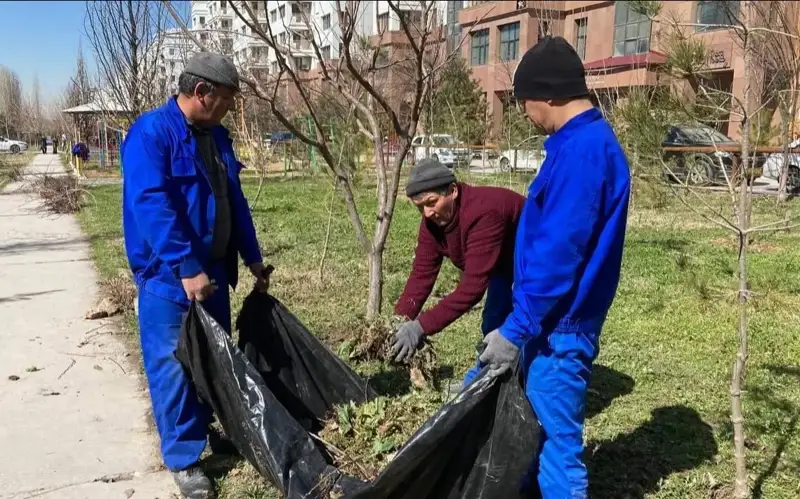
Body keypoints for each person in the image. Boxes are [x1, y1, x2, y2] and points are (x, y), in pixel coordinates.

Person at [477, 36, 630, 498]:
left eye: (524, 101)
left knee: (557, 449)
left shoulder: (584, 152)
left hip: (560, 327)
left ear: (548, 94)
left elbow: (558, 254)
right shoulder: (575, 146)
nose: (525, 112)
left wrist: (516, 328)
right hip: (549, 323)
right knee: (534, 434)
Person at [121, 52, 269, 498]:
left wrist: (252, 256)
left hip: (216, 273)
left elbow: (233, 201)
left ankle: (206, 428)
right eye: (226, 99)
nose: (229, 108)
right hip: (170, 278)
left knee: (211, 358)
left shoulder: (218, 137)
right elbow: (152, 204)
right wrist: (186, 266)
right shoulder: (152, 133)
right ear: (201, 91)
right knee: (174, 364)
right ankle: (184, 458)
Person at [390, 157, 525, 387]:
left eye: (431, 202)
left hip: (531, 260)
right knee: (492, 321)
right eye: (420, 207)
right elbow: (421, 276)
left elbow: (471, 289)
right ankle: (487, 383)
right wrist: (398, 321)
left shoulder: (483, 211)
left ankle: (521, 381)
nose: (427, 213)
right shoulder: (432, 225)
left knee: (521, 325)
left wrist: (421, 327)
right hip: (501, 265)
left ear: (452, 191)